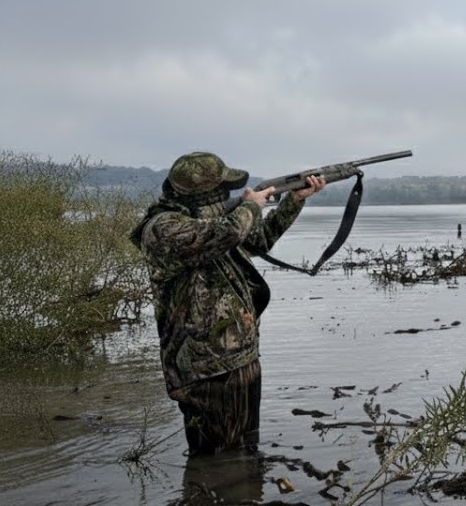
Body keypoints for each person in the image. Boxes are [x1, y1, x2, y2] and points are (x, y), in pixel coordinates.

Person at [129, 151, 325, 455]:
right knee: (214, 458)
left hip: (240, 358)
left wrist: (294, 200)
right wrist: (251, 206)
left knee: (245, 451)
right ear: (205, 193)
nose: (227, 195)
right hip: (205, 371)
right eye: (223, 189)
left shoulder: (213, 223)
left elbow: (259, 240)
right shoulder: (164, 228)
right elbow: (227, 232)